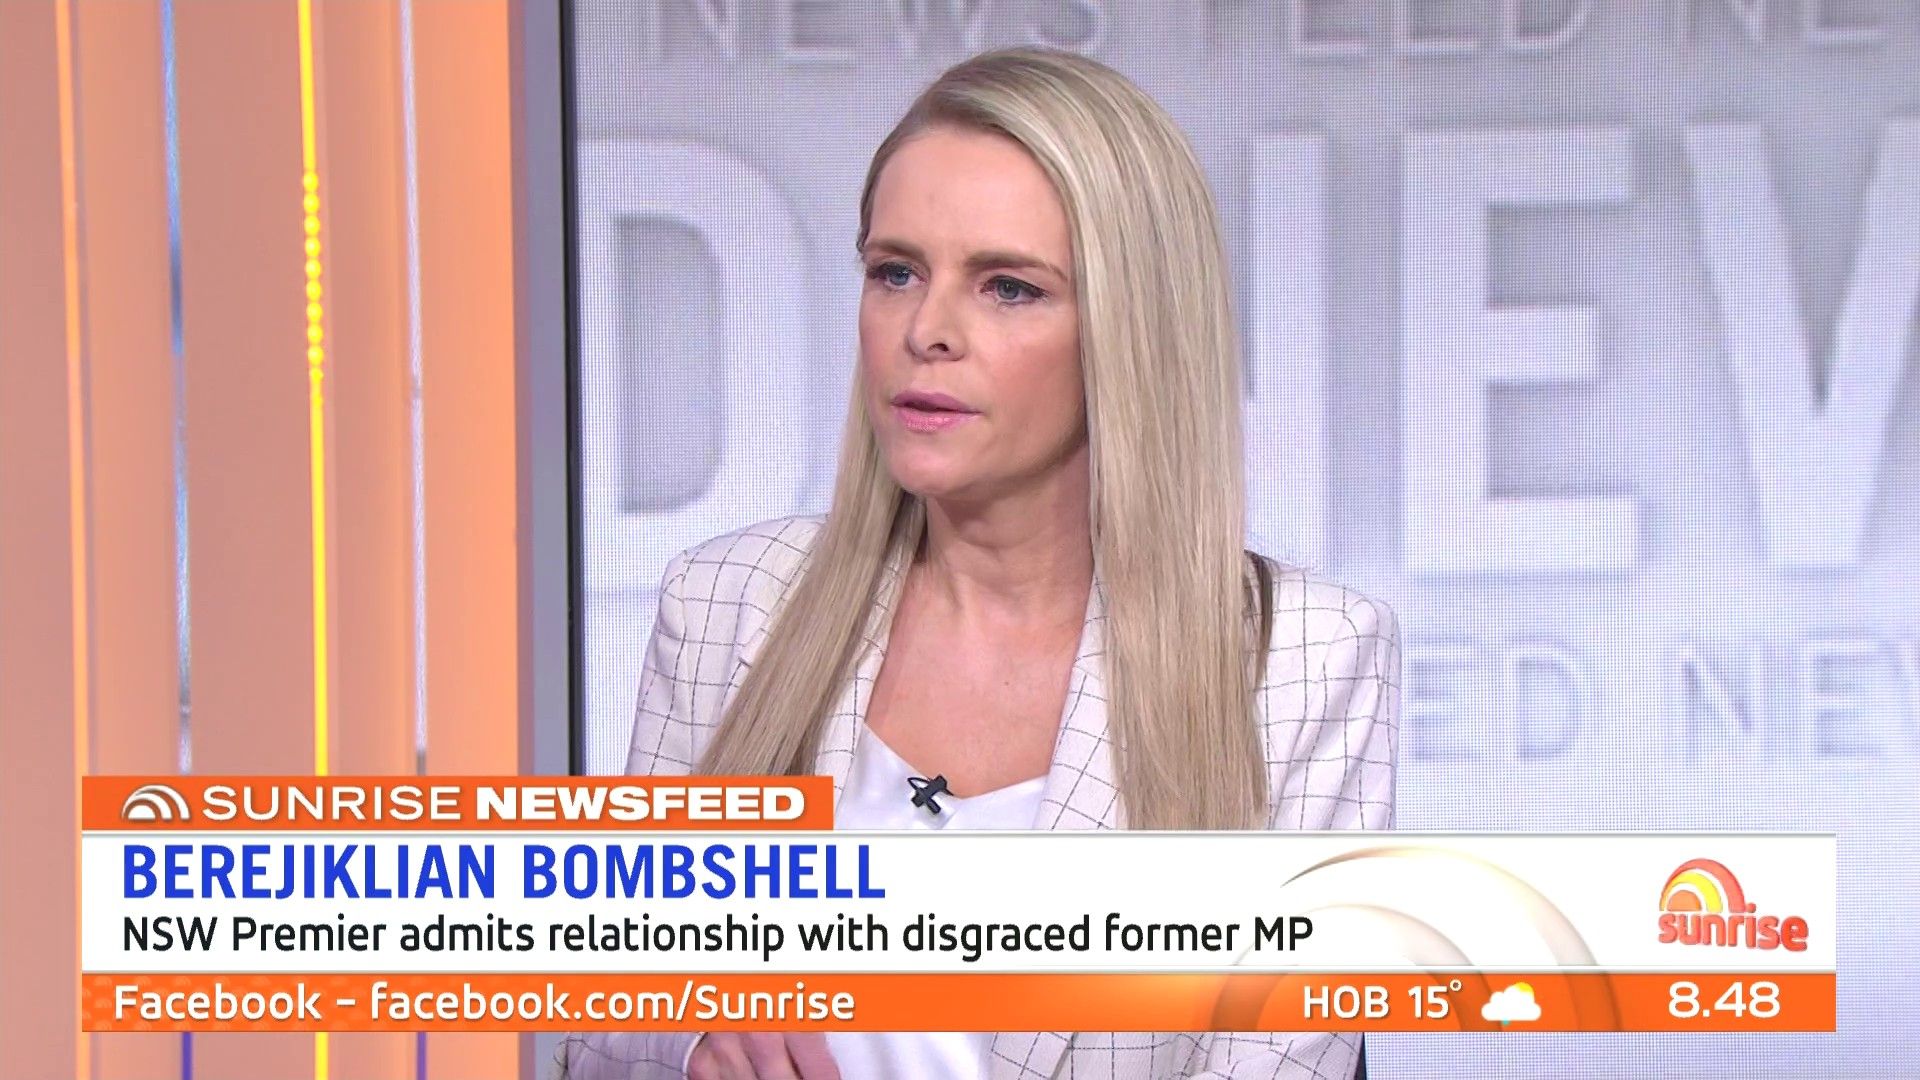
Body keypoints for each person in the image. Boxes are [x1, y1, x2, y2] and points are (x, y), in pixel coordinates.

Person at [558, 46, 1398, 1080]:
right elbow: (609, 1022)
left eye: (1008, 287)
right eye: (895, 272)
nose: (926, 331)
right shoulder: (729, 603)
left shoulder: (1301, 659)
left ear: (1133, 328)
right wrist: (694, 1043)